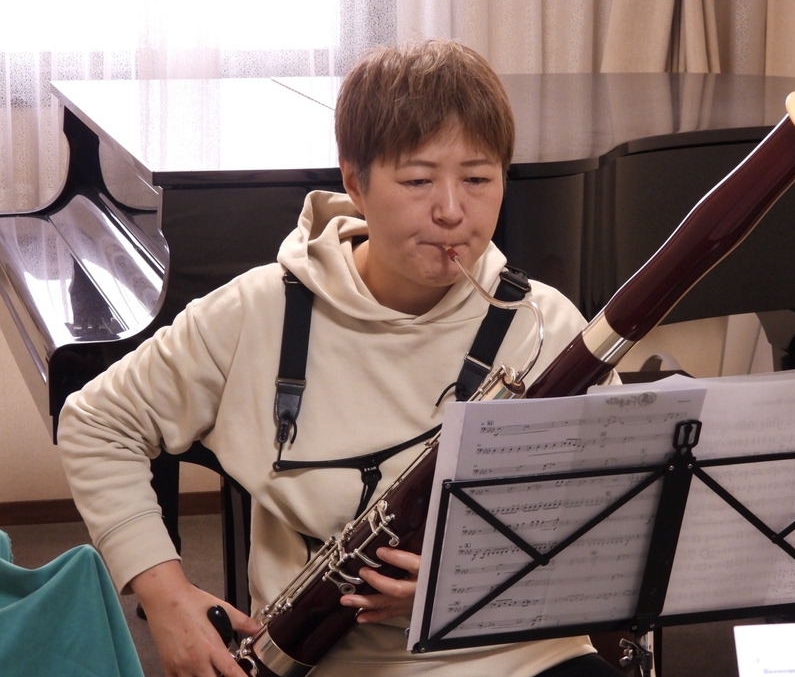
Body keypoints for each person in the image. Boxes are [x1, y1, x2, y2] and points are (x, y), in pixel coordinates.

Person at [58, 40, 623, 677]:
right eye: (417, 180)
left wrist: (469, 583)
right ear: (355, 182)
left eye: (478, 178)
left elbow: (617, 518)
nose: (451, 211)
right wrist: (165, 598)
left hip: (522, 652)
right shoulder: (259, 309)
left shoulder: (549, 326)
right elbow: (96, 422)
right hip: (325, 660)